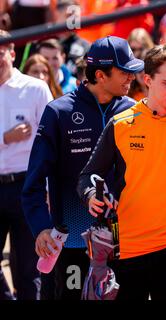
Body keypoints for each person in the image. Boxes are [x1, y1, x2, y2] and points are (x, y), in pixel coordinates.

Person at [77, 44, 166, 300]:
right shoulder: (121, 123)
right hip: (125, 255)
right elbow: (88, 175)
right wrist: (91, 194)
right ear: (147, 80)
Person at [22, 35, 142, 300]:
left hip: (126, 241)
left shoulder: (134, 112)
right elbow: (33, 182)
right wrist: (42, 227)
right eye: (125, 72)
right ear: (100, 75)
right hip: (74, 241)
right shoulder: (59, 112)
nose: (132, 78)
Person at [0, 29, 53, 300]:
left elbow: (52, 140)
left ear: (11, 53)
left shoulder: (34, 89)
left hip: (26, 187)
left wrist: (47, 188)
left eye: (0, 52)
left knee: (29, 269)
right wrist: (5, 137)